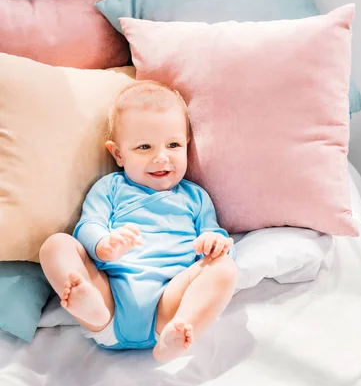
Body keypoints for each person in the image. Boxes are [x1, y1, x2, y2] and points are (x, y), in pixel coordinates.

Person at [39, 80, 237, 362]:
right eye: (144, 147)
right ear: (118, 154)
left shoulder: (196, 197)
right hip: (111, 297)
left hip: (168, 304)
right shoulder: (110, 188)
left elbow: (214, 236)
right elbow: (88, 226)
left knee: (225, 268)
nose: (161, 157)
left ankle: (181, 329)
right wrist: (104, 245)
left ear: (187, 146)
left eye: (173, 144)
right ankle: (92, 309)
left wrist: (214, 242)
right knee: (56, 245)